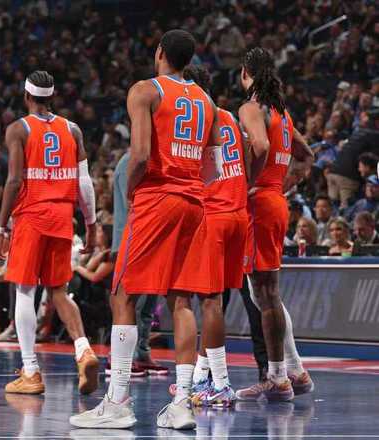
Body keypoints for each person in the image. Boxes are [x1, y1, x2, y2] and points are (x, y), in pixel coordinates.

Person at [70, 29, 224, 430]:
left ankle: (118, 400)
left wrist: (133, 189)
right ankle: (182, 404)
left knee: (123, 293)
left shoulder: (145, 90)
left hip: (158, 197)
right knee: (181, 300)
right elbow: (214, 167)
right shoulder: (208, 102)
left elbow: (139, 153)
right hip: (194, 202)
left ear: (159, 53)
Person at [0, 70, 100, 396]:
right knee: (59, 292)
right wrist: (91, 224)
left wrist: (1, 227)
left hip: (31, 216)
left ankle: (30, 371)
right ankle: (83, 349)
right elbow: (84, 183)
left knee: (25, 292)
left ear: (26, 96)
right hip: (63, 217)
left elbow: (13, 181)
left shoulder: (18, 129)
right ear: (52, 97)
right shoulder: (72, 129)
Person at [236, 48, 314, 402]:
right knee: (264, 293)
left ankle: (278, 377)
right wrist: (282, 184)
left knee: (265, 295)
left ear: (245, 73)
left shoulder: (251, 108)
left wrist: (248, 184)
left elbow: (261, 145)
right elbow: (307, 157)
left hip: (259, 204)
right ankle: (295, 370)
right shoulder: (283, 114)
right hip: (276, 202)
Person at [181, 64, 246, 408]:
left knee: (209, 302)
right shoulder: (230, 116)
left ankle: (221, 383)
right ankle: (201, 375)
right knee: (216, 302)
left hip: (214, 214)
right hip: (238, 212)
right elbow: (253, 152)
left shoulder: (199, 118)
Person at [109, 145, 168, 376]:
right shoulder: (130, 161)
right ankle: (121, 356)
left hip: (151, 237)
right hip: (132, 237)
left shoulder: (152, 159)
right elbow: (131, 206)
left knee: (149, 304)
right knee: (130, 302)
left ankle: (142, 351)